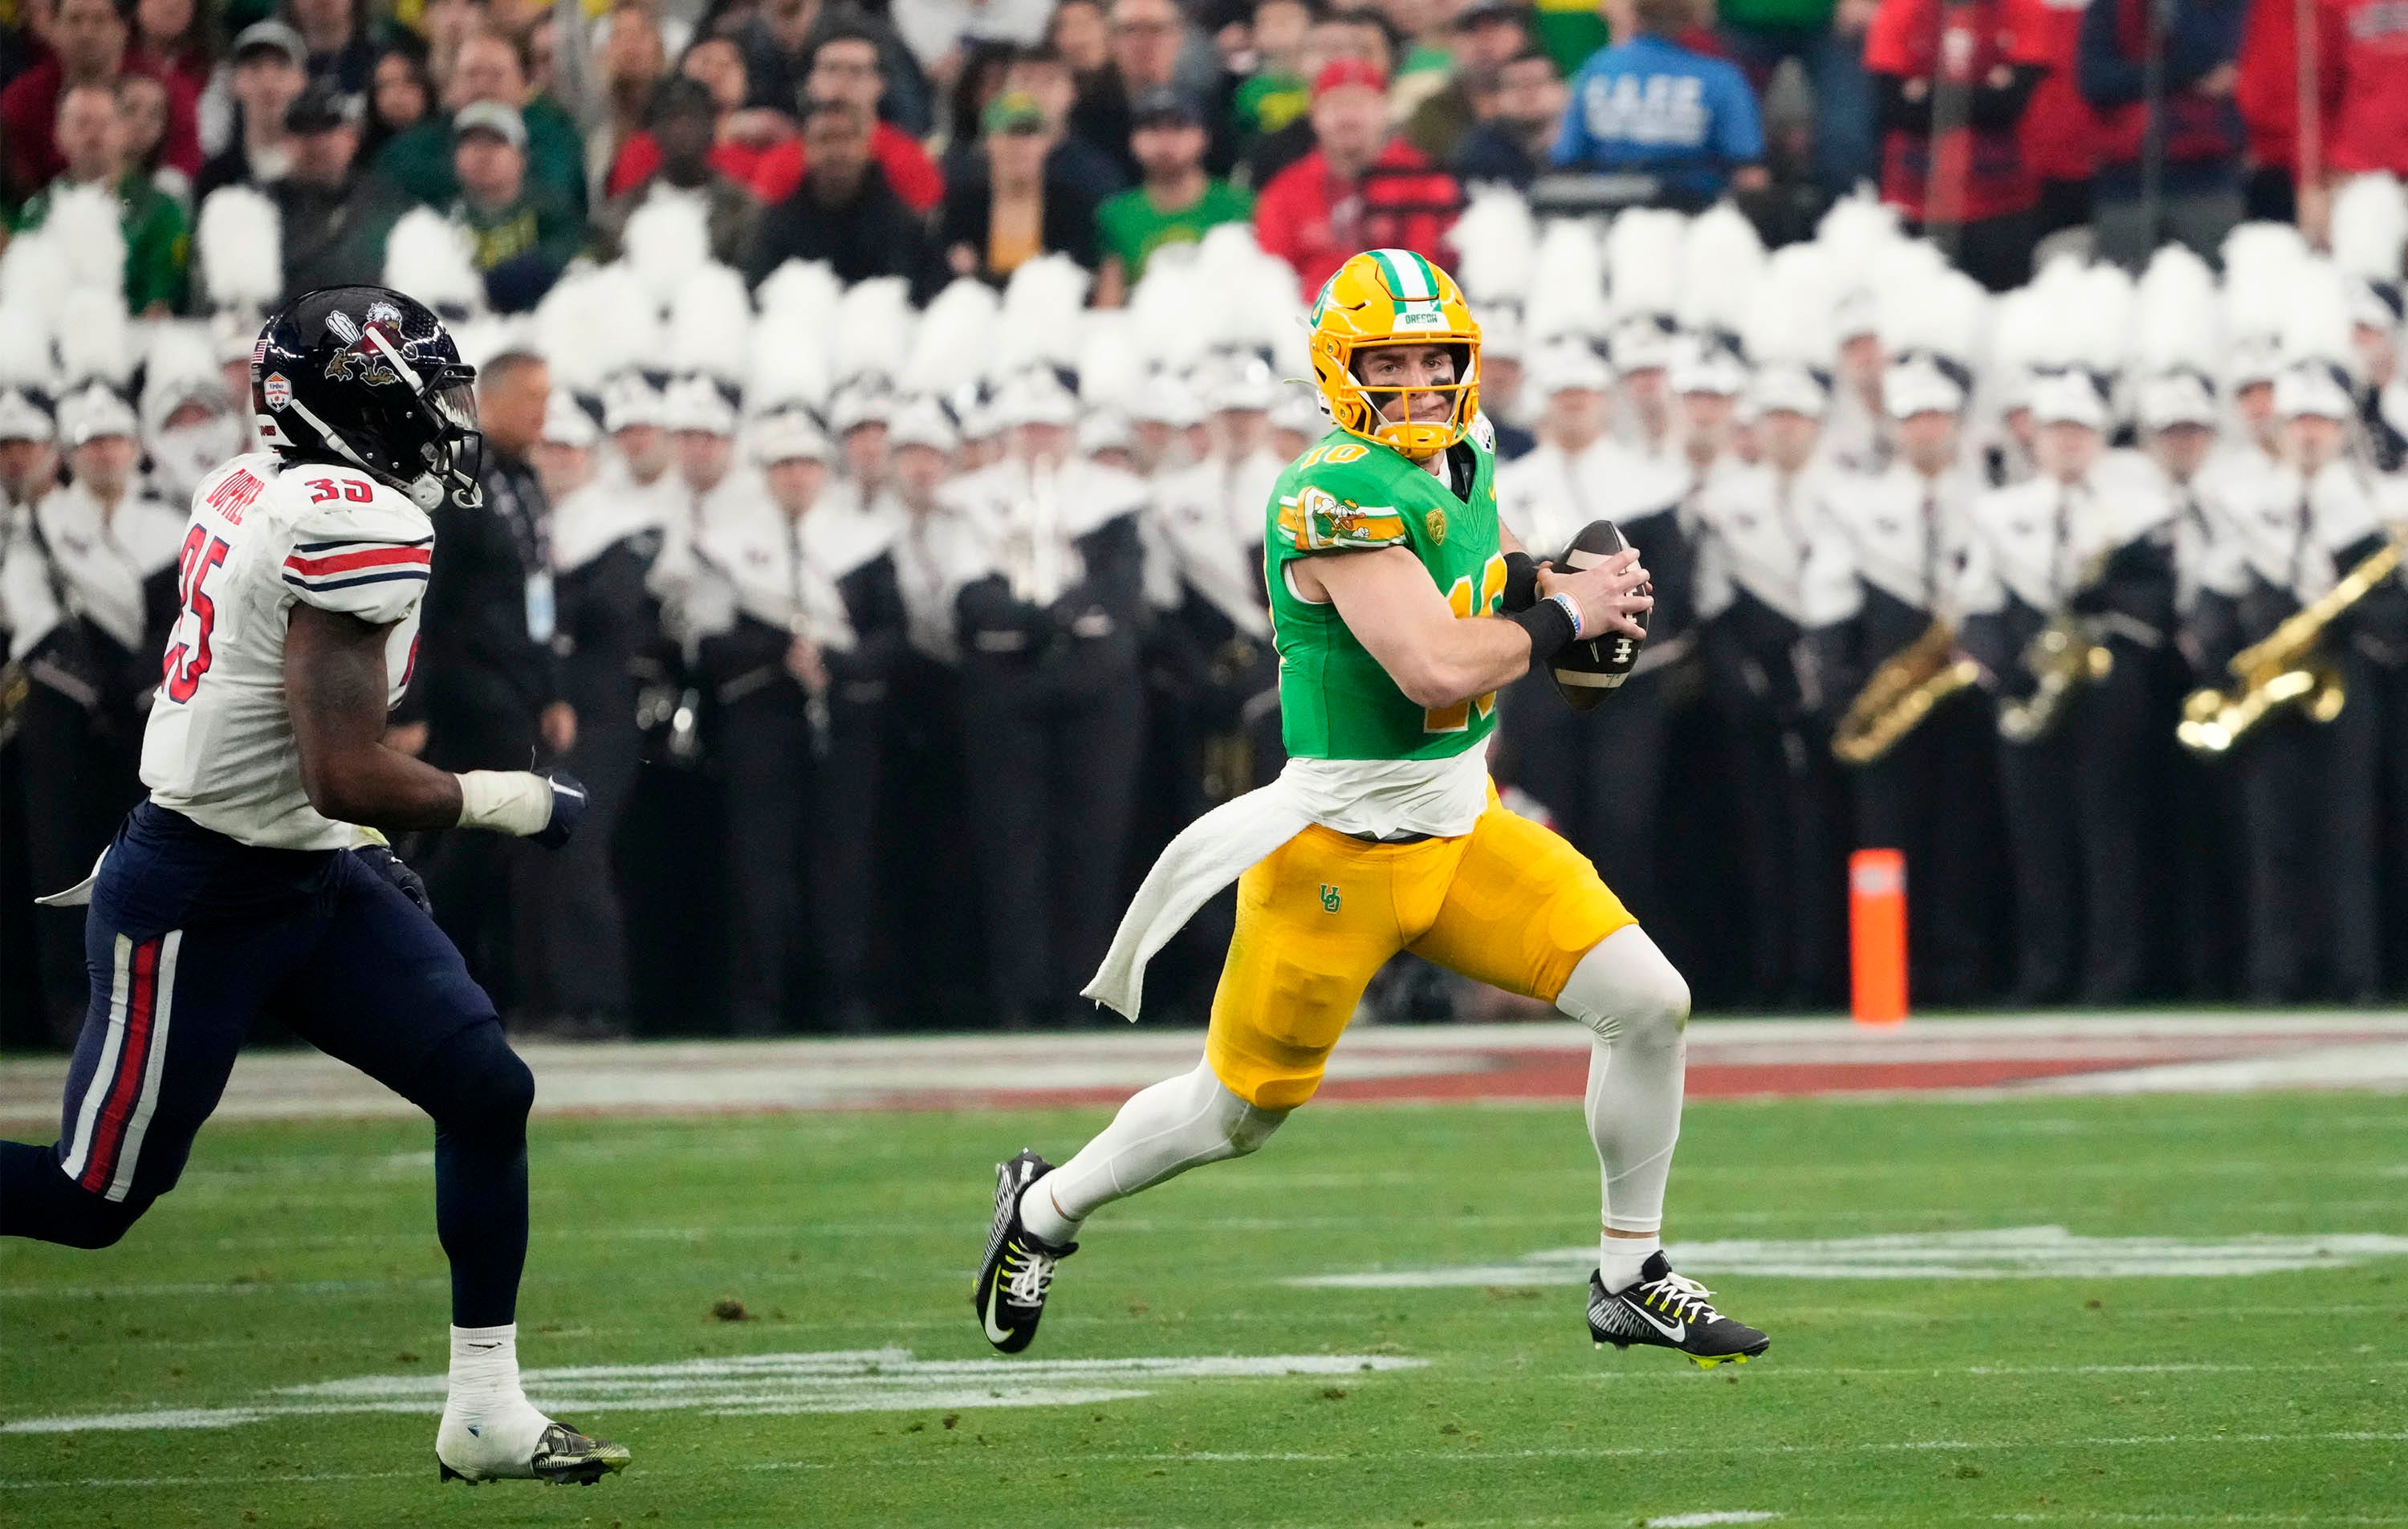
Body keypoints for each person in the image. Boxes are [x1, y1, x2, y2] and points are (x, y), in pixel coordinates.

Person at [974, 250, 1767, 1370]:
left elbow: (1468, 571)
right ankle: (1044, 1208)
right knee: (1232, 1115)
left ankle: (1629, 1273)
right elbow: (1432, 668)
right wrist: (1569, 618)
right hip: (1336, 854)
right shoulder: (1327, 491)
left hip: (1461, 824)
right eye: (1385, 361)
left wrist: (1541, 581)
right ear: (1341, 372)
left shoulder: (1466, 448)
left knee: (1648, 1003)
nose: (1414, 382)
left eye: (1430, 357)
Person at [0, 288, 626, 1486]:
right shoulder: (347, 518)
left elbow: (306, 764)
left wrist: (372, 850)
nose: (446, 422)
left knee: (486, 1087)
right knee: (95, 1194)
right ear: (355, 405)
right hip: (199, 887)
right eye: (425, 396)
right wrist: (518, 801)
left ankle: (486, 1412)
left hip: (308, 865)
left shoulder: (258, 483)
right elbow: (341, 769)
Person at [1956, 368, 2176, 1004]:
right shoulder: (1999, 513)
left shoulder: (2136, 512)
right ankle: (2044, 971)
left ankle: (2113, 973)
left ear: (2101, 438)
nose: (2070, 442)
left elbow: (2155, 604)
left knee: (2110, 835)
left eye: (2081, 430)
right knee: (2036, 841)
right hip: (2032, 693)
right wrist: (2010, 673)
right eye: (2058, 430)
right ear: (2037, 440)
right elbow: (1978, 605)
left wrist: (2104, 618)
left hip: (2107, 691)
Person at [944, 371, 1150, 1031]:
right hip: (1007, 685)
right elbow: (967, 600)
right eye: (1028, 428)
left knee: (1092, 844)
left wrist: (1055, 613)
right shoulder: (973, 501)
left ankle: (1083, 991)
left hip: (1094, 688)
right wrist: (1043, 620)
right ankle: (1018, 993)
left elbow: (1121, 588)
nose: (1039, 441)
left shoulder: (1111, 500)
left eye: (1051, 428)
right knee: (1011, 844)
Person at [2, 385, 185, 1046]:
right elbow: (31, 618)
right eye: (91, 443)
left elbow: (180, 619)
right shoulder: (42, 523)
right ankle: (73, 1012)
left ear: (136, 449)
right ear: (71, 455)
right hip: (64, 716)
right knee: (62, 865)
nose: (105, 453)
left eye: (116, 440)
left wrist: (139, 689)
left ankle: (151, 1007)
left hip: (147, 713)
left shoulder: (171, 526)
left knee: (148, 861)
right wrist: (93, 691)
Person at [405, 349, 575, 1011]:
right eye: (531, 398)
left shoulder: (526, 482)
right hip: (464, 694)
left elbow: (539, 592)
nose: (543, 413)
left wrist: (553, 688)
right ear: (491, 401)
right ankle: (436, 979)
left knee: (493, 850)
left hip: (517, 692)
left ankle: (472, 986)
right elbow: (423, 597)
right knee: (468, 845)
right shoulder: (453, 480)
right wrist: (409, 703)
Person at [1690, 362, 1847, 1010]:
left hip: (1831, 692)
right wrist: (1751, 683)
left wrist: (1829, 677)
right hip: (1758, 690)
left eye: (1797, 419)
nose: (1785, 431)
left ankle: (1827, 971)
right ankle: (1772, 969)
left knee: (1827, 836)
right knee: (1761, 838)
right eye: (1774, 419)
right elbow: (1713, 603)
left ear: (1815, 426)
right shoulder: (1726, 503)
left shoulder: (1848, 495)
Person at [513, 392, 661, 1039]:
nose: (560, 459)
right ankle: (548, 998)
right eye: (550, 447)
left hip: (598, 714)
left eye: (571, 448)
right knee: (534, 857)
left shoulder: (615, 528)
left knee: (579, 849)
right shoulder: (528, 525)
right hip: (540, 711)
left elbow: (611, 614)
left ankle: (600, 1001)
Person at [1861, 0, 2049, 291]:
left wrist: (1926, 92)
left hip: (2002, 205)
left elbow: (2011, 105)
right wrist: (1986, 89)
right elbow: (1894, 108)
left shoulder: (2024, 9)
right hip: (1913, 204)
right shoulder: (1901, 9)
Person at [1253, 58, 1463, 296]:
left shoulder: (1426, 181)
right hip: (1312, 323)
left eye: (1359, 104)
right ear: (1314, 115)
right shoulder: (1286, 190)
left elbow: (1441, 270)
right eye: (1336, 105)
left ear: (1385, 110)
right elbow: (1270, 277)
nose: (1348, 117)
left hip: (1411, 321)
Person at [2075, 0, 2248, 268]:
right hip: (2126, 183)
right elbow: (2096, 81)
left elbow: (2214, 53)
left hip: (2206, 179)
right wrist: (2181, 77)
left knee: (2213, 290)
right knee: (2124, 292)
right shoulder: (2109, 7)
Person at [1551, 0, 1767, 211]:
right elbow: (1749, 172)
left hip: (1606, 216)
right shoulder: (1720, 78)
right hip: (1694, 217)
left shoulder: (1598, 68)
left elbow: (1566, 158)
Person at [12, 81, 193, 315]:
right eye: (82, 123)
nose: (93, 134)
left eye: (104, 123)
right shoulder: (39, 209)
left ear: (123, 132)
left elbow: (159, 305)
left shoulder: (160, 210)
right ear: (59, 134)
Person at [2, 0, 201, 202]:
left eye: (99, 20)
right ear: (54, 26)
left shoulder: (167, 92)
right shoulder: (22, 99)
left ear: (124, 27)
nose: (86, 32)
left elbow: (181, 172)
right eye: (74, 19)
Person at [378, 27, 587, 213]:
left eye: (497, 75)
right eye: (471, 74)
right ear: (450, 87)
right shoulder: (413, 148)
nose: (483, 87)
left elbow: (558, 195)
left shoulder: (554, 139)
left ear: (524, 87)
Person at [749, 96, 943, 292]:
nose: (836, 152)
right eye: (825, 139)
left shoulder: (899, 222)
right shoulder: (780, 222)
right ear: (806, 148)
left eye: (846, 138)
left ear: (867, 146)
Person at [1093, 89, 1253, 303]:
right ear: (1133, 140)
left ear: (1203, 136)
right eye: (1152, 129)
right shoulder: (1116, 215)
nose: (1165, 141)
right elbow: (1108, 307)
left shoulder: (1242, 206)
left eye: (1179, 126)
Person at [938, 90, 1102, 282]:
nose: (1019, 146)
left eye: (1029, 134)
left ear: (1046, 142)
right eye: (1009, 134)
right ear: (987, 142)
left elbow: (1084, 273)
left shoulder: (1070, 205)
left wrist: (977, 272)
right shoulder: (963, 207)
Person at [593, 76, 760, 266]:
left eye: (692, 118)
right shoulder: (623, 213)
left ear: (711, 128)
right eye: (672, 119)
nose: (682, 129)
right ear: (655, 131)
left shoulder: (744, 211)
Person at [270, 82, 413, 299]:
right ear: (286, 141)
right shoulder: (261, 209)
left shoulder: (388, 204)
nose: (315, 143)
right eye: (303, 131)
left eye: (327, 128)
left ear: (352, 137)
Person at [444, 103, 583, 313]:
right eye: (472, 143)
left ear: (521, 158)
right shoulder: (438, 222)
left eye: (497, 142)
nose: (483, 154)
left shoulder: (553, 215)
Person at [1402, 0, 1535, 165]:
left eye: (1495, 27)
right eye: (1470, 29)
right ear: (1452, 42)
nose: (1484, 40)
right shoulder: (1433, 110)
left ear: (1521, 36)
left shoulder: (1542, 100)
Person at [194, 20, 310, 202]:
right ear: (233, 83)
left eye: (281, 66)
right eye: (255, 67)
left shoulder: (317, 170)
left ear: (302, 80)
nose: (268, 83)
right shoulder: (215, 176)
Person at [1449, 44, 1567, 188]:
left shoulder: (1588, 141)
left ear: (1562, 89)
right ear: (1498, 98)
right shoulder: (1479, 152)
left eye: (1537, 82)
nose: (1527, 94)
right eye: (1514, 85)